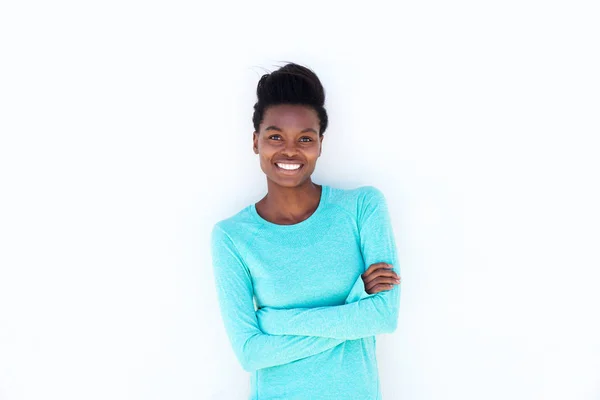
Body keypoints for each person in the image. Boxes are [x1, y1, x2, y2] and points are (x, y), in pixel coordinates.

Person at [210, 62, 402, 399]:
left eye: (304, 138)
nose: (289, 150)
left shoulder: (362, 208)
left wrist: (273, 322)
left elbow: (383, 317)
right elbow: (251, 352)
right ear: (256, 142)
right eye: (274, 136)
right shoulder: (232, 237)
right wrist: (354, 306)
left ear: (320, 143)